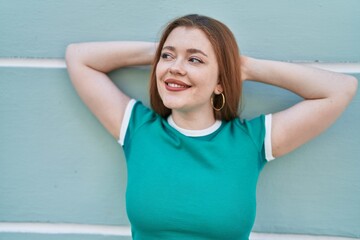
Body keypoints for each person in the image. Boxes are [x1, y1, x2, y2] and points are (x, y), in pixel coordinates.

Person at [65, 14, 357, 240]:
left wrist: (245, 66)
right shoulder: (138, 129)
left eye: (195, 59)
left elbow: (341, 89)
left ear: (220, 82)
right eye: (167, 57)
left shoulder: (250, 142)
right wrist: (167, 53)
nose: (175, 67)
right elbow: (79, 57)